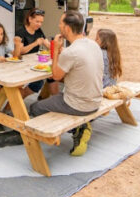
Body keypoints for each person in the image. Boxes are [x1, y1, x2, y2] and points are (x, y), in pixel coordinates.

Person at [31, 11, 103, 156]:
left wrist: (56, 50)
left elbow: (56, 76)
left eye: (60, 24)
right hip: (96, 100)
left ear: (67, 29)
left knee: (35, 107)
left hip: (77, 104)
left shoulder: (70, 52)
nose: (58, 26)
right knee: (53, 99)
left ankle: (78, 129)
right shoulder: (92, 45)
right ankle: (78, 126)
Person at [13, 8, 52, 97]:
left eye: (41, 22)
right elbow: (21, 52)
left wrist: (55, 46)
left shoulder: (38, 31)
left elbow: (47, 44)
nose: (39, 24)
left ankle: (20, 98)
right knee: (21, 85)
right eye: (37, 21)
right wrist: (35, 43)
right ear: (30, 19)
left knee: (39, 83)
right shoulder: (21, 32)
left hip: (33, 62)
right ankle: (14, 104)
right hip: (21, 64)